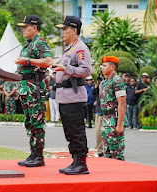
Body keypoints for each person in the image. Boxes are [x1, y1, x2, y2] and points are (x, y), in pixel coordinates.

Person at [53, 16, 92, 175]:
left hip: (74, 97)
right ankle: (75, 160)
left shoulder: (80, 48)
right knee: (69, 131)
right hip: (65, 96)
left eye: (65, 29)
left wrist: (65, 68)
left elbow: (86, 70)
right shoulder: (70, 48)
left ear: (74, 30)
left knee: (76, 131)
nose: (62, 32)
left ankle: (82, 163)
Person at [15, 15, 53, 167]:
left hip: (35, 88)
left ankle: (39, 155)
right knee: (29, 122)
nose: (23, 29)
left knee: (37, 122)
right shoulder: (28, 44)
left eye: (26, 26)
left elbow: (48, 62)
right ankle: (33, 153)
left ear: (35, 27)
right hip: (26, 88)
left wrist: (28, 61)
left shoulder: (40, 43)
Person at [99, 56, 127, 161]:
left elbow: (122, 103)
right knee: (107, 152)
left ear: (112, 67)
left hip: (114, 119)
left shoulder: (117, 81)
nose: (102, 67)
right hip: (105, 118)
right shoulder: (104, 82)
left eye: (104, 65)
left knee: (117, 152)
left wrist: (119, 125)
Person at [92, 75, 104, 157]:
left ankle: (101, 149)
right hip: (98, 111)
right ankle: (99, 148)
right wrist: (96, 85)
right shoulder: (98, 86)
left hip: (105, 112)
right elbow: (94, 93)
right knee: (97, 132)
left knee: (102, 132)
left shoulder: (108, 84)